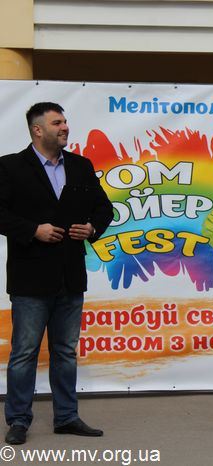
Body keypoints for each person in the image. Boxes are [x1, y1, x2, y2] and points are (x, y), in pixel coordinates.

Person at [0, 102, 114, 445]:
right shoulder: (10, 167)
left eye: (65, 121)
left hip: (70, 276)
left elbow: (104, 208)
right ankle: (18, 420)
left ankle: (66, 417)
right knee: (24, 353)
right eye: (57, 122)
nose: (65, 127)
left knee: (65, 351)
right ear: (38, 130)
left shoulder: (81, 165)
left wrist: (92, 228)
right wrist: (33, 230)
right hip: (30, 279)